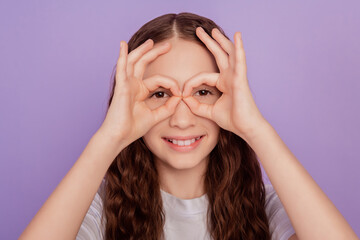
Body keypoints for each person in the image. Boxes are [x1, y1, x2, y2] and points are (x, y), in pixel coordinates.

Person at [19, 12, 358, 240]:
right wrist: (110, 137)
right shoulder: (96, 210)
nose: (181, 119)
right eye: (161, 93)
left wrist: (254, 127)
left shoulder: (269, 208)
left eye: (203, 91)